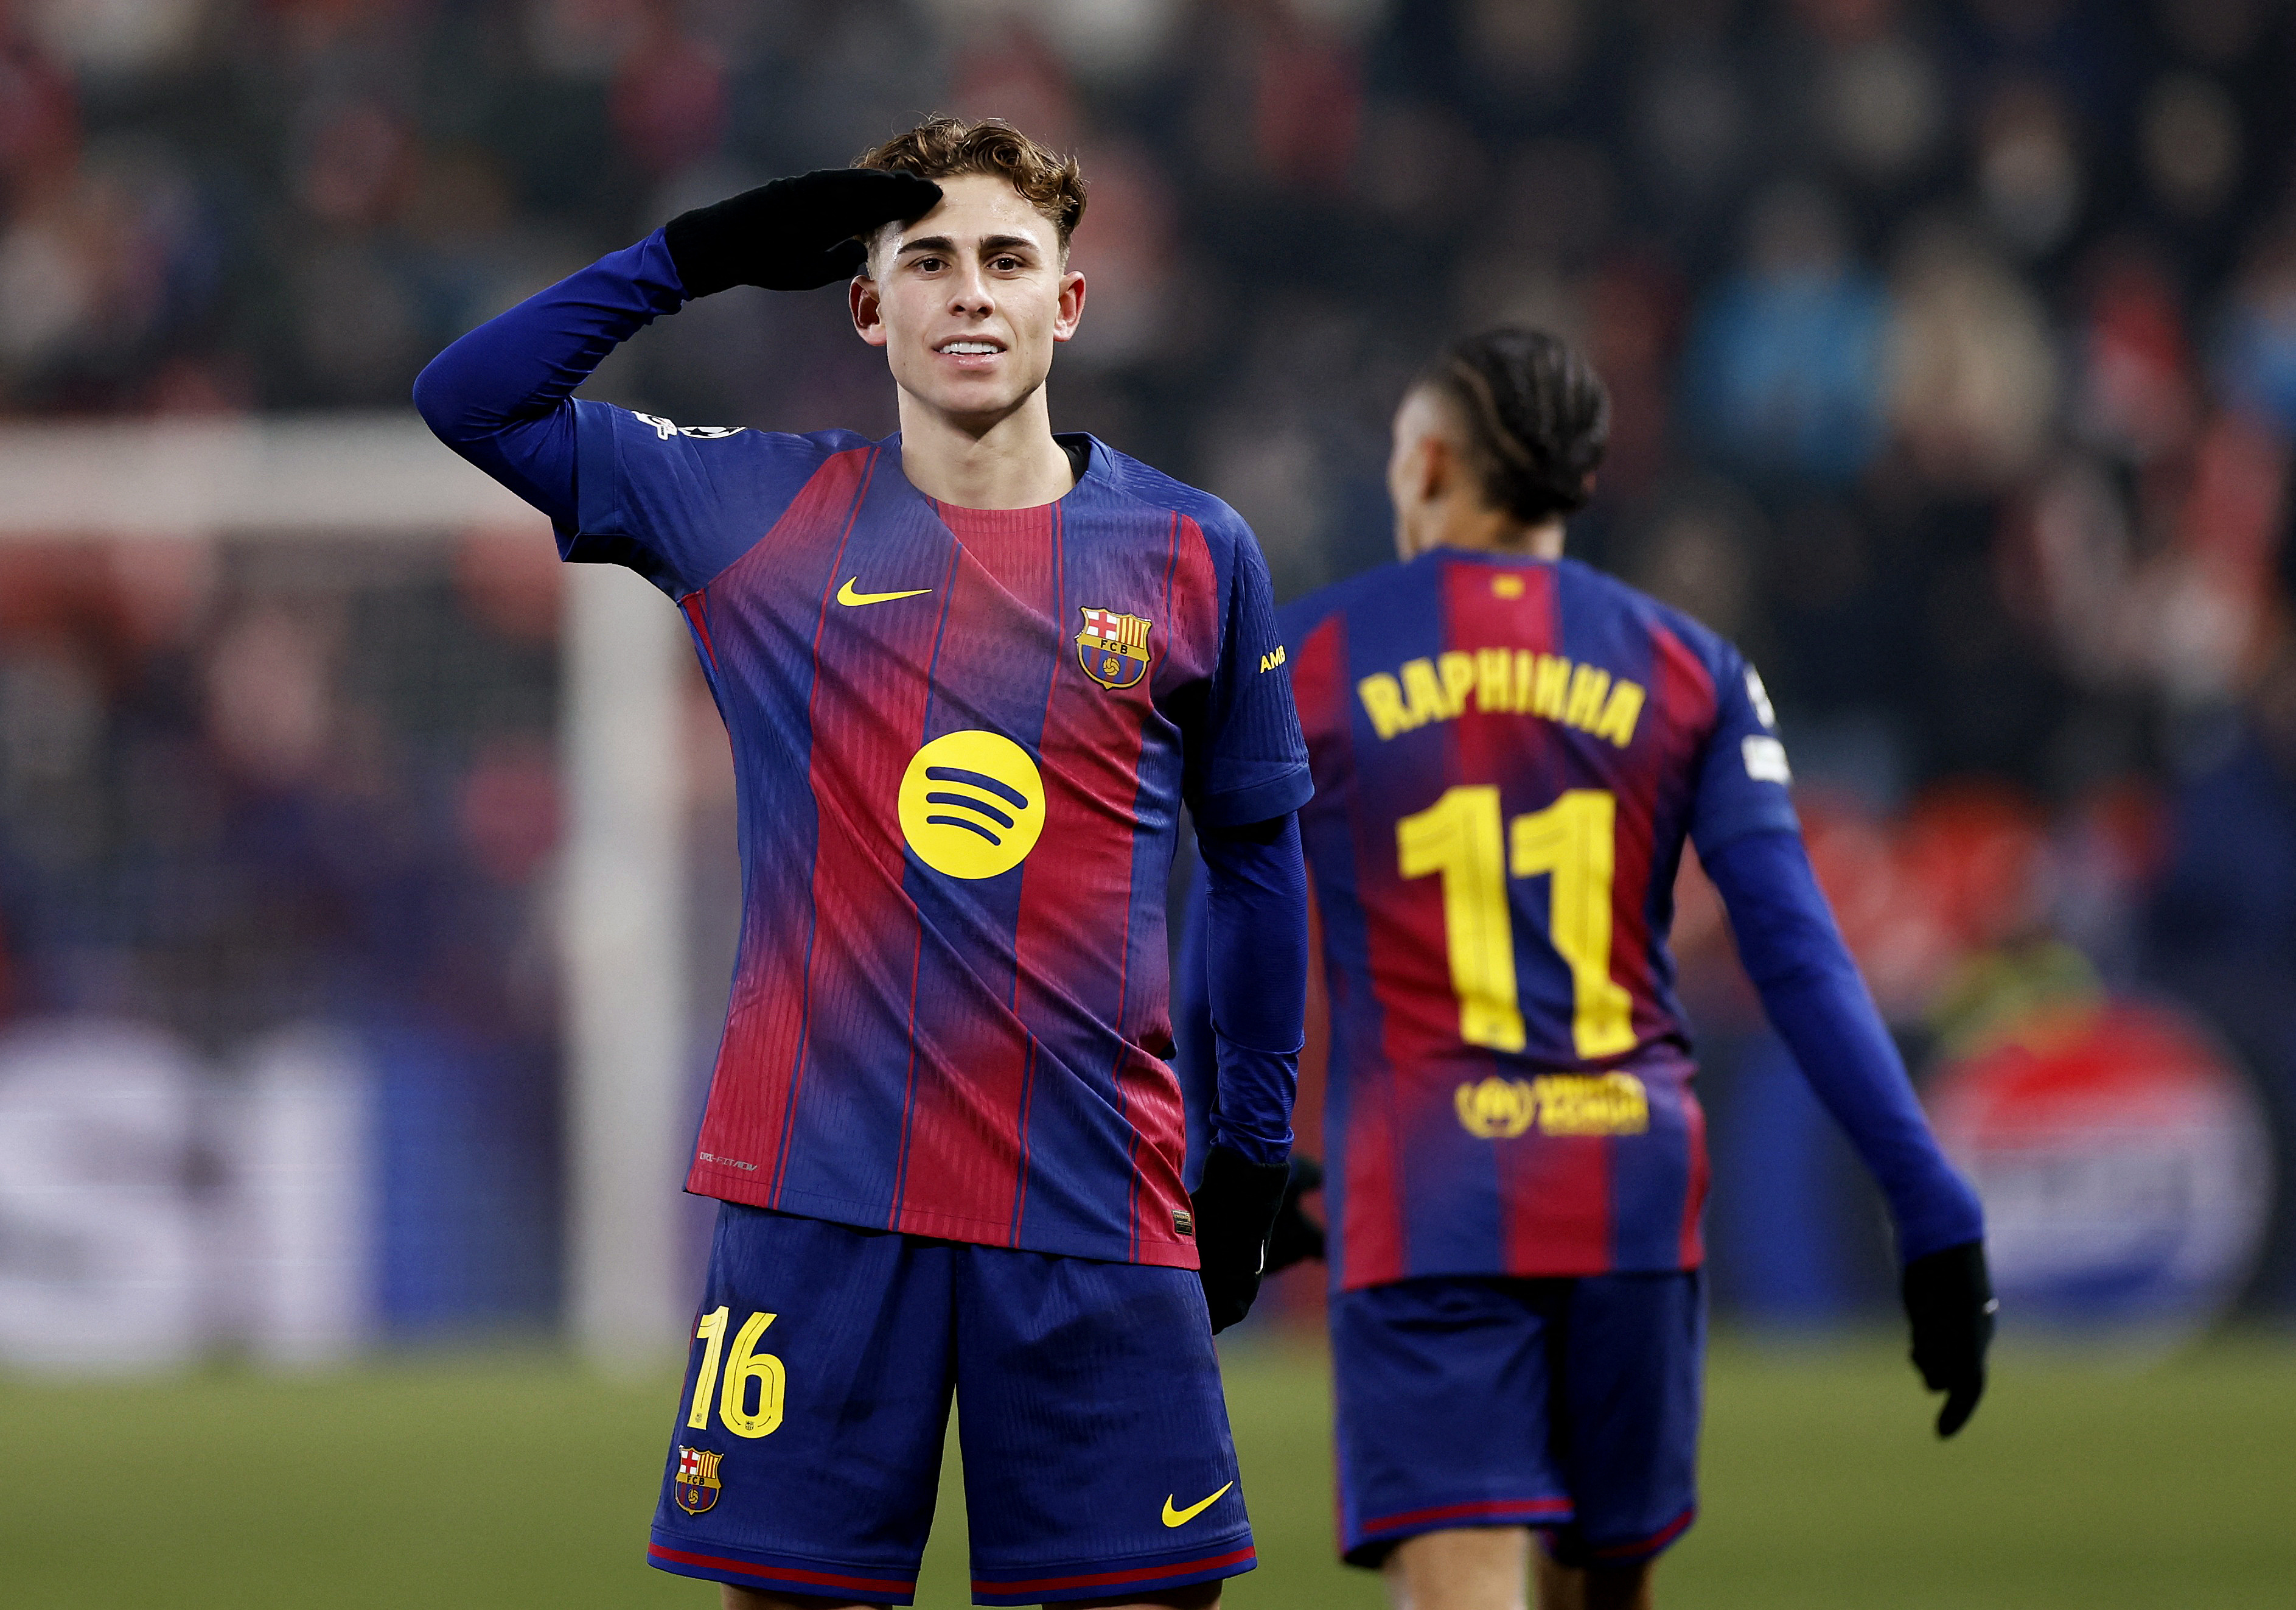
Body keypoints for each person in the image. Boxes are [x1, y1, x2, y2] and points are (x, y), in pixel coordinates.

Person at [415, 116, 1313, 1610]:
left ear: (1068, 304)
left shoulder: (1195, 552)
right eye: (930, 261)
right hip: (819, 1206)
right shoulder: (752, 507)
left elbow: (1261, 870)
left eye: (1007, 261)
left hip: (1095, 1200)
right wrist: (690, 258)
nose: (970, 293)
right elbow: (469, 400)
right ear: (865, 304)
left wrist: (1255, 1151)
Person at [1177, 328, 1994, 1610]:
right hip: (1630, 1185)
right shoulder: (1694, 668)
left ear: (1429, 463)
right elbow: (1796, 953)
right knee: (1602, 1594)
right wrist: (1932, 1207)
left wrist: (1232, 1160)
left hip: (1431, 1186)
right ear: (1583, 476)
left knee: (1460, 1582)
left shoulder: (1309, 656)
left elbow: (1231, 928)